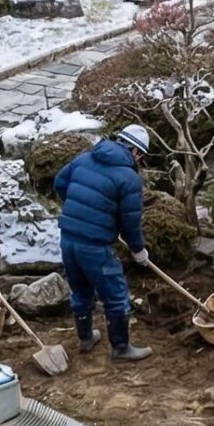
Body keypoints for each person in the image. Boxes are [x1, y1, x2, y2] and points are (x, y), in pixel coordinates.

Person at [52, 124, 156, 362]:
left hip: (68, 238)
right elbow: (130, 222)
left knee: (80, 290)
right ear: (136, 152)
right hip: (95, 246)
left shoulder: (84, 158)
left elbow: (60, 182)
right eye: (141, 156)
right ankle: (121, 348)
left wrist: (80, 210)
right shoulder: (129, 178)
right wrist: (138, 250)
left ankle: (86, 339)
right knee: (116, 295)